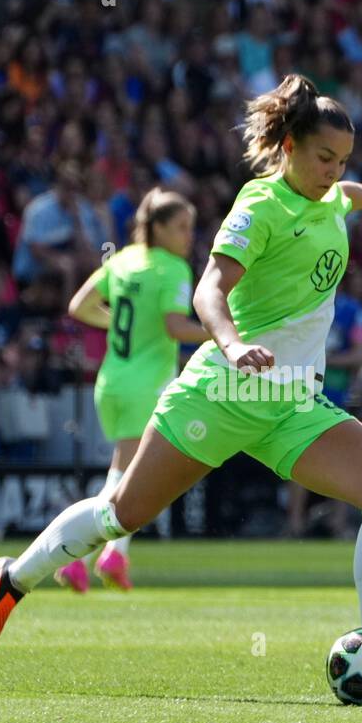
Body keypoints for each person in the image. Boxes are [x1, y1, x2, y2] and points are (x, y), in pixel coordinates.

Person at [0, 74, 362, 687]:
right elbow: (209, 288)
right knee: (121, 514)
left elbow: (344, 199)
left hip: (290, 405)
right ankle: (10, 582)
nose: (334, 171)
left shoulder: (330, 194)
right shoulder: (260, 205)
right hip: (222, 392)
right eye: (324, 157)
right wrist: (230, 341)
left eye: (344, 161)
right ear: (290, 149)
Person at [59, 187, 209, 591]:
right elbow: (176, 327)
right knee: (126, 479)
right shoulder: (172, 268)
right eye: (181, 227)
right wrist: (222, 335)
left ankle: (114, 555)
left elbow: (80, 306)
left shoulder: (124, 261)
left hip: (112, 381)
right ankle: (82, 556)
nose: (187, 236)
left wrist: (122, 325)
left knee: (127, 472)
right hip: (148, 384)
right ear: (157, 228)